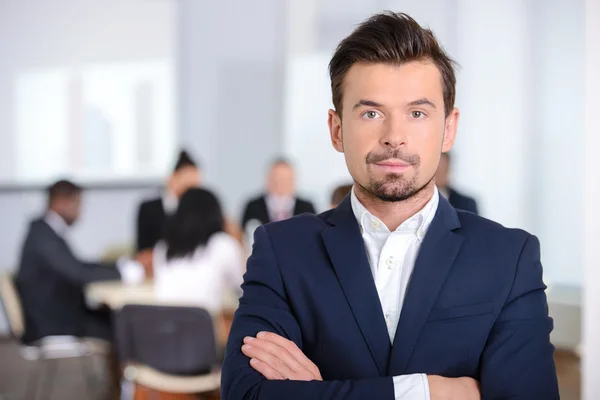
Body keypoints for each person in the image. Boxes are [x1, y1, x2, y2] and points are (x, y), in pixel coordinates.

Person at [222, 12, 558, 400]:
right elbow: (247, 395)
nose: (394, 136)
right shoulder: (282, 250)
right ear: (337, 129)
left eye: (417, 113)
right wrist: (428, 391)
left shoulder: (509, 257)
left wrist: (321, 392)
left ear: (448, 128)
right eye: (371, 113)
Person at [15, 180, 144, 397]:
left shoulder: (44, 230)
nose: (80, 213)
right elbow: (78, 273)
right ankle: (129, 390)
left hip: (57, 313)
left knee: (115, 318)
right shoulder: (43, 235)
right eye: (77, 205)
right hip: (53, 323)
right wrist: (125, 273)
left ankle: (119, 387)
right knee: (125, 326)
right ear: (62, 202)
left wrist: (120, 267)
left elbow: (79, 265)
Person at [152, 188, 244, 311]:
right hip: (201, 326)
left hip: (160, 326)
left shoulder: (162, 247)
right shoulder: (222, 244)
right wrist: (237, 237)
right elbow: (243, 285)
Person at [135, 150, 201, 269]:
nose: (191, 194)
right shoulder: (149, 209)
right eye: (187, 186)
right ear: (172, 179)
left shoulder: (199, 212)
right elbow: (143, 255)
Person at [241, 158, 316, 232]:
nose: (281, 183)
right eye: (277, 178)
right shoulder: (253, 207)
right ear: (268, 179)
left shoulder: (306, 208)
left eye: (286, 179)